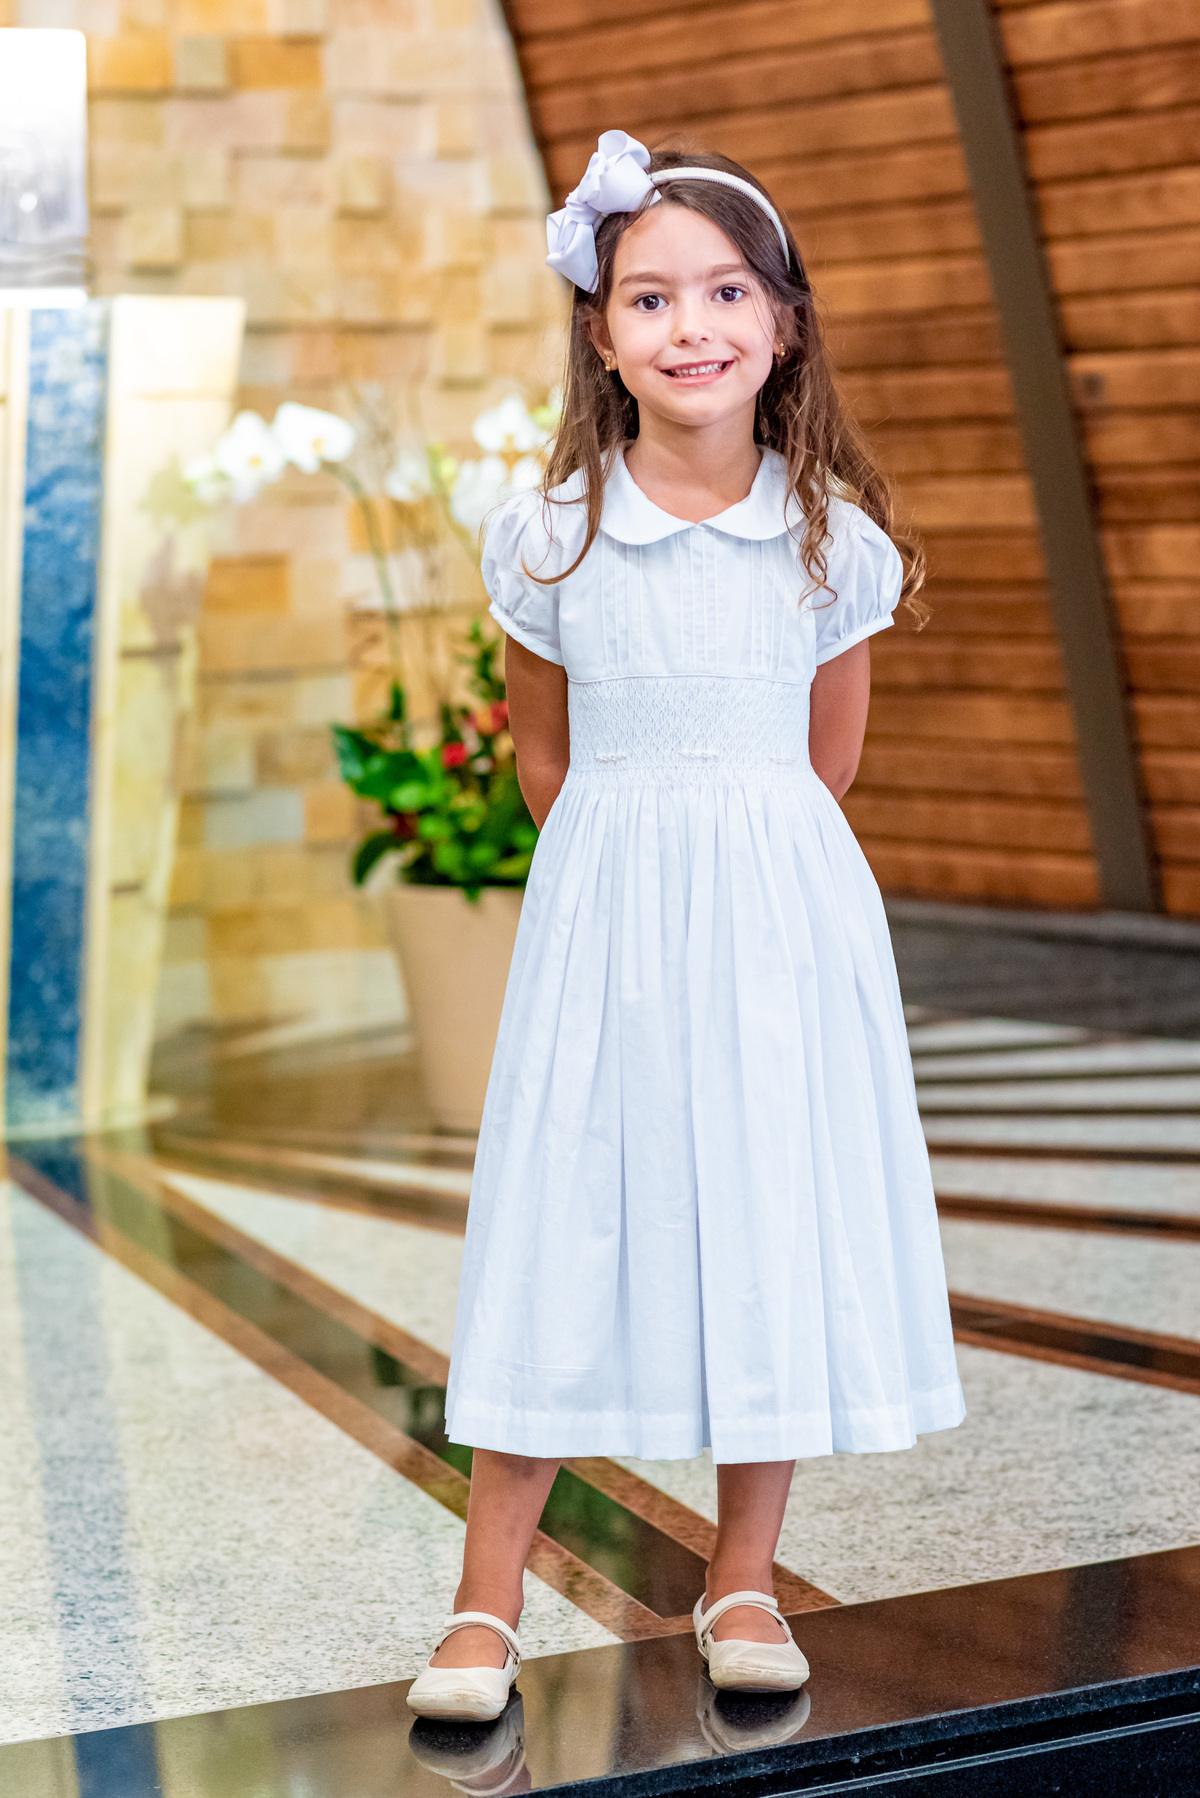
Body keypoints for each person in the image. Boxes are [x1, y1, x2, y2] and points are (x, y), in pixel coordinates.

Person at [407, 130, 965, 1723]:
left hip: (780, 921)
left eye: (725, 289)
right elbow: (545, 753)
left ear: (783, 321)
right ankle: (484, 1598)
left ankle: (744, 1571)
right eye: (649, 295)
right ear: (601, 330)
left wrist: (738, 875)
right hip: (607, 923)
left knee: (760, 1212)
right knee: (560, 1214)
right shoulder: (553, 536)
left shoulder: (830, 542)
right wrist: (622, 881)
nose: (690, 323)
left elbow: (828, 758)